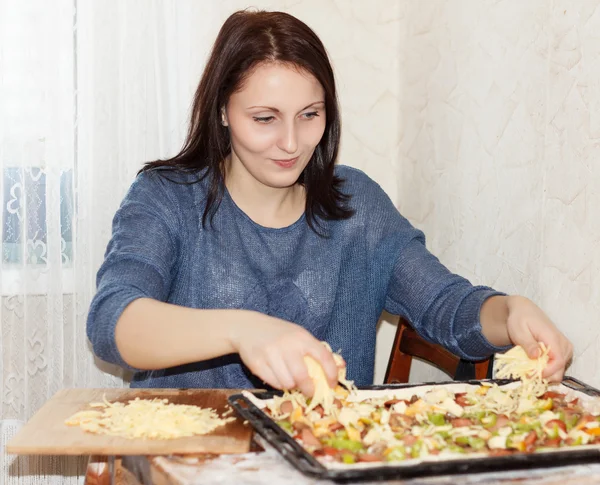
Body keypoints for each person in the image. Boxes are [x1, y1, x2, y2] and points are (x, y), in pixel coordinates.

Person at [87, 10, 573, 397]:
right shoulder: (166, 196)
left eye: (310, 115)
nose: (292, 143)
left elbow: (447, 307)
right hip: (192, 463)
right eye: (265, 118)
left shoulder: (357, 204)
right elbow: (114, 322)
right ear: (222, 112)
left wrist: (509, 311)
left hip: (329, 460)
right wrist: (243, 331)